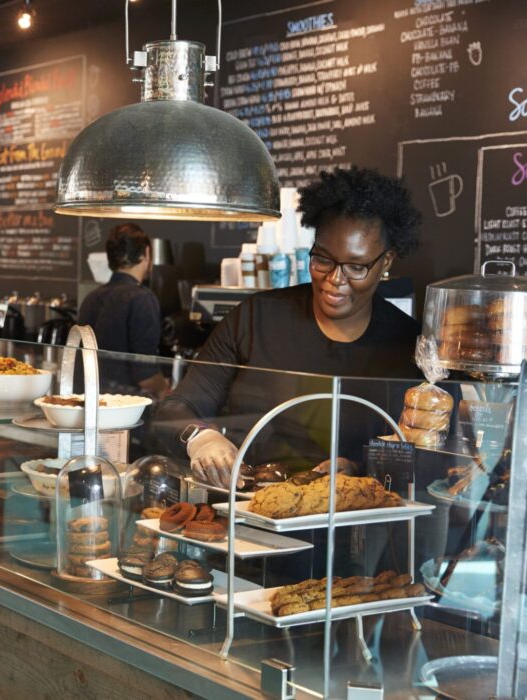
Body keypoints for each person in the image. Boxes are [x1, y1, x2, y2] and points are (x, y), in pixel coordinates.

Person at [154, 167, 423, 488]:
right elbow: (173, 409)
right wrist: (201, 437)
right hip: (247, 505)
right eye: (323, 259)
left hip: (351, 513)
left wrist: (361, 467)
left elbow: (421, 450)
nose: (335, 279)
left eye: (356, 266)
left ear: (386, 261)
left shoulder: (407, 344)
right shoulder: (256, 318)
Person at [78, 223, 169, 398]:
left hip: (90, 402)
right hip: (126, 407)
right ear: (146, 254)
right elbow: (145, 377)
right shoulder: (143, 299)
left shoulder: (91, 298)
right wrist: (166, 390)